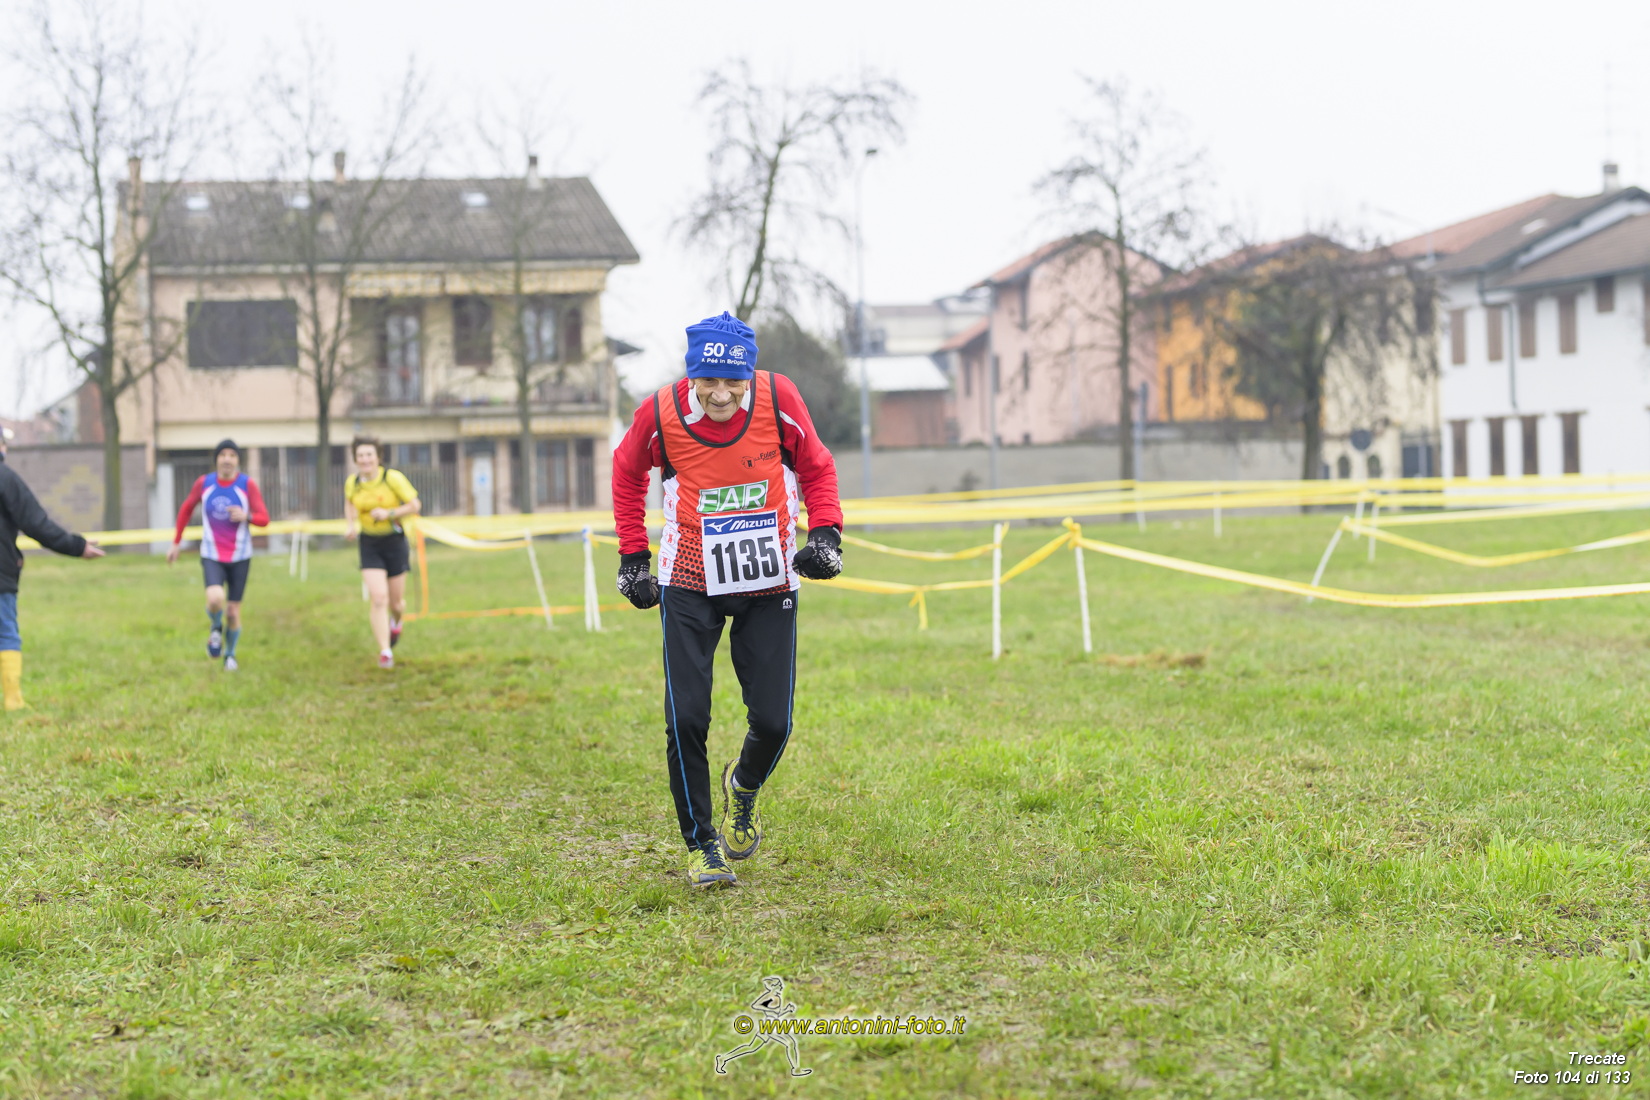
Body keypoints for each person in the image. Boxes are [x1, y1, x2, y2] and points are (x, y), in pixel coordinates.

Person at [611, 312, 844, 888]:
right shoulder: (660, 412)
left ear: (749, 375)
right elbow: (626, 471)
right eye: (707, 381)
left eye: (732, 381)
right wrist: (633, 558)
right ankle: (701, 845)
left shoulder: (778, 397)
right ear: (691, 375)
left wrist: (826, 536)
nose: (720, 394)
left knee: (774, 721)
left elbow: (817, 466)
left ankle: (743, 787)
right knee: (686, 717)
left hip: (768, 581)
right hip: (689, 579)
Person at [0, 427, 105, 709]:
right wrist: (76, 546)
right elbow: (36, 523)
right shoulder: (6, 479)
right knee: (5, 633)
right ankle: (13, 700)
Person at [166, 439, 269, 671]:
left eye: (232, 455)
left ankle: (230, 655)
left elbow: (264, 518)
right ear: (216, 459)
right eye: (223, 455)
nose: (227, 459)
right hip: (212, 553)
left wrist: (247, 516)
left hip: (240, 556)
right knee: (214, 599)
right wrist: (176, 543)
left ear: (238, 460)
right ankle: (215, 627)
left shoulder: (247, 485)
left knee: (232, 613)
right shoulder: (205, 483)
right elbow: (186, 509)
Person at [342, 436, 420, 670]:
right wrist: (350, 525)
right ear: (355, 459)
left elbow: (415, 505)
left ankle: (396, 623)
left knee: (396, 604)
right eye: (360, 455)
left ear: (378, 457)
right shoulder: (353, 482)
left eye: (369, 454)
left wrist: (390, 513)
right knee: (378, 598)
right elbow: (349, 503)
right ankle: (385, 651)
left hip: (394, 541)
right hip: (369, 543)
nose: (365, 459)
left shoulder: (392, 478)